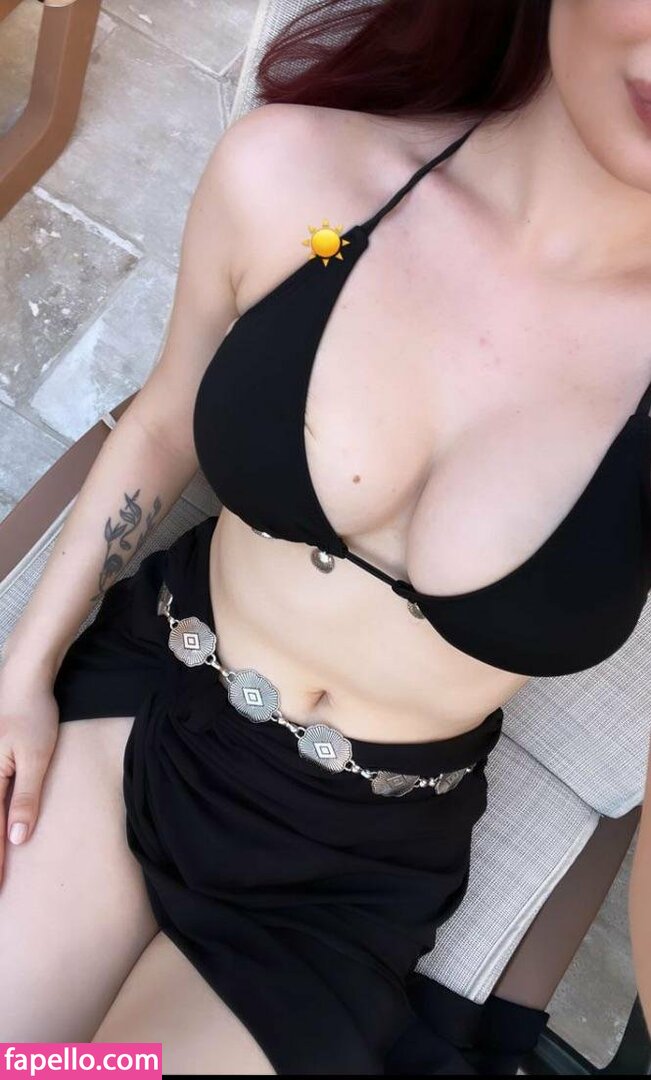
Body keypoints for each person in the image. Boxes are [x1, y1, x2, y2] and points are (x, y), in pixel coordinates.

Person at [1, 0, 651, 1073]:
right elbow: (163, 421)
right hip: (150, 714)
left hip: (345, 874)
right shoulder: (293, 174)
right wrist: (24, 673)